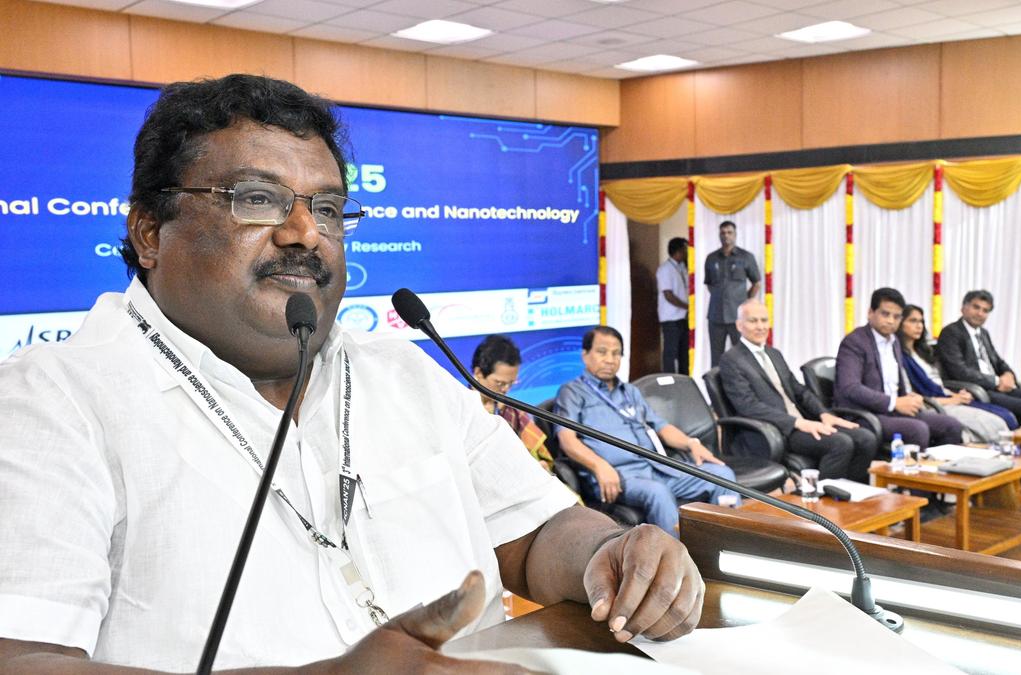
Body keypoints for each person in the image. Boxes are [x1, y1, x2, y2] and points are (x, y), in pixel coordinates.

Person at [0, 74, 703, 673]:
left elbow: (538, 532)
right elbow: (25, 657)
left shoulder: (403, 373)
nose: (305, 232)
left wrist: (610, 554)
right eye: (257, 199)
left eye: (328, 208)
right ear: (150, 231)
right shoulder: (51, 403)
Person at [555, 326, 740, 537]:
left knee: (722, 475)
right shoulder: (572, 392)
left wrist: (691, 443)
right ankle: (679, 556)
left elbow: (661, 427)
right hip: (618, 475)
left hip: (655, 467)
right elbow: (567, 439)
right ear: (585, 355)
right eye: (602, 352)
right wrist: (599, 465)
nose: (610, 360)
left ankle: (727, 544)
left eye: (616, 353)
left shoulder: (630, 392)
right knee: (658, 493)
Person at [718, 300, 876, 482]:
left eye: (764, 320)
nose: (760, 326)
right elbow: (748, 406)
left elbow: (799, 390)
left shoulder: (774, 354)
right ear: (739, 325)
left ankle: (851, 492)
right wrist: (796, 423)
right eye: (753, 321)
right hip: (778, 429)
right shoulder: (731, 359)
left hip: (802, 421)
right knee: (841, 444)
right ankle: (823, 497)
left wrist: (824, 414)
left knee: (866, 438)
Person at [835, 288, 964, 449]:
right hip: (865, 414)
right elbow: (850, 387)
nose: (891, 321)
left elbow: (895, 384)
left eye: (896, 317)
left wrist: (909, 398)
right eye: (885, 314)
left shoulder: (895, 341)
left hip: (892, 410)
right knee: (918, 430)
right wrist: (894, 402)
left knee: (952, 426)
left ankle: (936, 465)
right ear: (870, 313)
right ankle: (910, 466)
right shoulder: (855, 342)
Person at [936, 290, 1021, 425]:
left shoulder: (983, 333)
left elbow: (998, 361)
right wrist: (996, 381)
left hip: (996, 387)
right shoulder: (951, 332)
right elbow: (959, 371)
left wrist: (1008, 374)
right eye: (976, 307)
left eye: (985, 310)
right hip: (977, 389)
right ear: (964, 307)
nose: (980, 313)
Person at [899, 305, 1017, 443]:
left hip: (946, 397)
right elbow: (913, 396)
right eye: (913, 321)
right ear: (900, 323)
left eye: (921, 321)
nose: (919, 326)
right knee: (995, 426)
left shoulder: (923, 352)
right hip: (934, 405)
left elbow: (937, 384)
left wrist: (956, 395)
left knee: (1006, 417)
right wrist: (951, 400)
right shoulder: (900, 356)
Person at [471, 334, 555, 472]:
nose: (505, 389)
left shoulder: (512, 411)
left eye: (511, 383)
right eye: (500, 383)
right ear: (478, 372)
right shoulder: (462, 409)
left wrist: (541, 465)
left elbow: (540, 456)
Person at [703, 220, 760, 367]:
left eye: (729, 232)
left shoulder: (746, 257)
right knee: (716, 357)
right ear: (719, 235)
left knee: (742, 356)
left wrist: (744, 301)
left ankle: (742, 381)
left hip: (738, 317)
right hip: (716, 316)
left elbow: (756, 283)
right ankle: (716, 382)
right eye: (723, 233)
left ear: (735, 235)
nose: (726, 236)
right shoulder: (711, 258)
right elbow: (709, 284)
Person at [656, 237, 690, 374]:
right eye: (686, 249)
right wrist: (687, 307)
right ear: (679, 251)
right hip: (670, 318)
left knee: (684, 352)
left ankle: (684, 379)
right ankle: (668, 380)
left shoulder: (682, 267)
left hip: (683, 317)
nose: (688, 252)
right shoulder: (665, 269)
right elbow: (668, 295)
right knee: (671, 352)